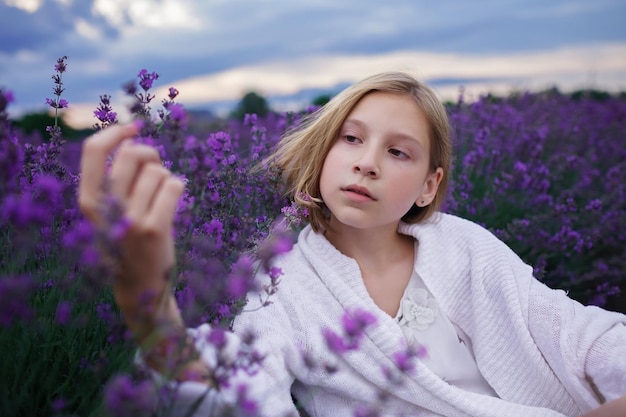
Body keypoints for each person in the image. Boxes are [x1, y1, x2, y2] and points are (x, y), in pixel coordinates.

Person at [78, 72, 626, 416]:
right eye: (353, 138)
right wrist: (147, 304)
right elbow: (244, 395)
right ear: (324, 154)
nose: (367, 161)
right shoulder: (278, 281)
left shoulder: (465, 246)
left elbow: (581, 335)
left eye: (399, 152)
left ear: (428, 186)